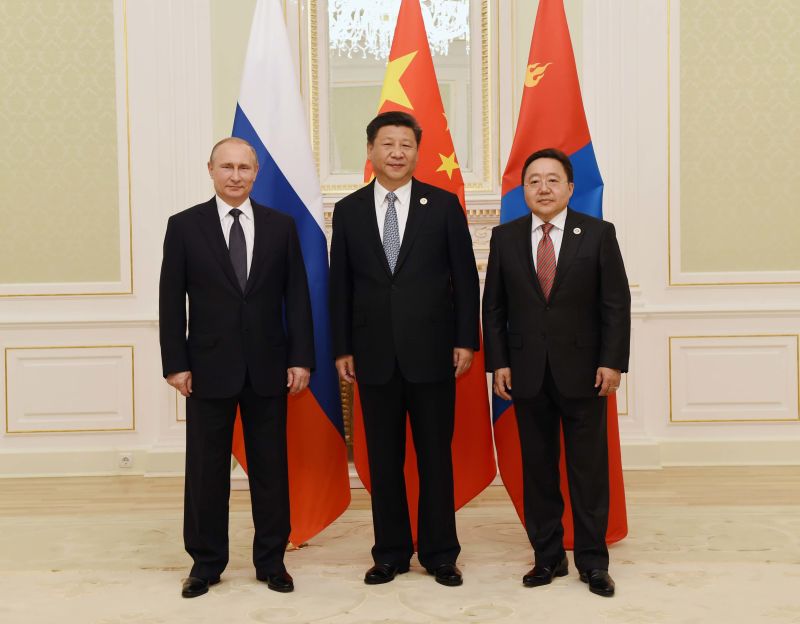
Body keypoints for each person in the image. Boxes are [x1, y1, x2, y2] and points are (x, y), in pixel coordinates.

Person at [329, 111, 480, 587]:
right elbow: (341, 287)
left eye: (406, 145)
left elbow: (465, 277)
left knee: (436, 457)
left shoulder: (443, 205)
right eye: (387, 144)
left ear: (417, 151)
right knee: (384, 460)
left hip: (435, 354)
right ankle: (389, 552)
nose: (397, 152)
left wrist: (465, 340)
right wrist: (342, 348)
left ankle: (440, 553)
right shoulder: (349, 210)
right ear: (371, 150)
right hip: (372, 357)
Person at [159, 137, 314, 598]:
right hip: (206, 368)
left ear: (256, 172)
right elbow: (171, 300)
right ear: (210, 170)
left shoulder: (281, 226)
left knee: (271, 469)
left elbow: (298, 299)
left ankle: (272, 561)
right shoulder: (185, 226)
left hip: (269, 366)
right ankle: (206, 563)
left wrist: (301, 357)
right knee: (206, 471)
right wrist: (175, 363)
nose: (235, 175)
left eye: (244, 167)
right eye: (226, 166)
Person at [482, 148, 630, 597]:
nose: (543, 188)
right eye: (534, 181)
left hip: (585, 371)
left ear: (569, 188)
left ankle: (592, 561)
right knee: (539, 470)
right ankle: (546, 558)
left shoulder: (598, 234)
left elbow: (615, 304)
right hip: (526, 373)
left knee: (588, 470)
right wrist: (499, 363)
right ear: (522, 189)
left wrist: (612, 362)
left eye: (552, 180)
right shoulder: (504, 237)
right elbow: (495, 307)